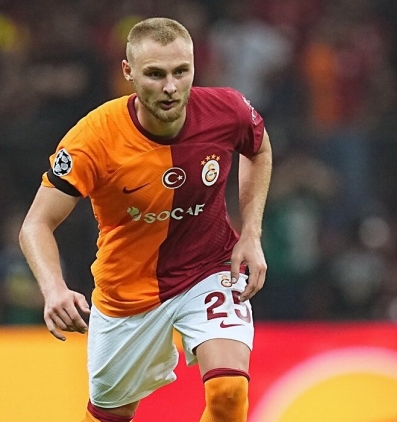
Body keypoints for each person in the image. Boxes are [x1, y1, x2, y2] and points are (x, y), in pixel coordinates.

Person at [18, 17, 272, 422]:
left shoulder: (227, 110)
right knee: (110, 415)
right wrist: (54, 290)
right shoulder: (94, 138)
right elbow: (36, 224)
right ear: (128, 72)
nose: (170, 87)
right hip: (128, 292)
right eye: (155, 74)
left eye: (180, 72)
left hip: (208, 268)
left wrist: (251, 233)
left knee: (228, 394)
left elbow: (257, 147)